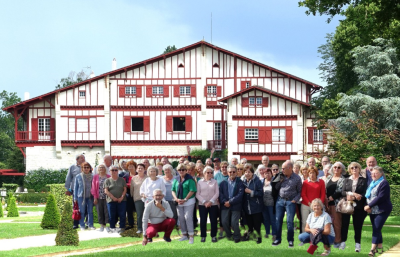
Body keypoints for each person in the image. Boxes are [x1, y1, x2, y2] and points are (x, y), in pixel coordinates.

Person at [364, 166, 393, 256]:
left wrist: (369, 205)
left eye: (375, 173)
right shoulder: (372, 183)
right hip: (373, 210)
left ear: (381, 174)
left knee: (376, 228)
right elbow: (369, 196)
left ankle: (372, 249)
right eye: (372, 173)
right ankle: (380, 247)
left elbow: (380, 197)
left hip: (382, 210)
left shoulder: (383, 183)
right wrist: (368, 206)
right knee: (376, 228)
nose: (373, 175)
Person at [273, 160, 302, 248]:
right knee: (278, 221)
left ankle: (290, 240)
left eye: (283, 168)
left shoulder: (297, 178)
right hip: (280, 201)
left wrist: (295, 200)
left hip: (290, 201)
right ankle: (278, 239)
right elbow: (275, 188)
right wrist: (280, 181)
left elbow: (300, 191)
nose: (282, 170)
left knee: (289, 221)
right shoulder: (280, 175)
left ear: (290, 168)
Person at [340, 162, 368, 252]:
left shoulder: (363, 180)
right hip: (348, 205)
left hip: (359, 206)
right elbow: (343, 192)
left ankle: (357, 244)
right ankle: (343, 242)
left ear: (359, 169)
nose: (354, 169)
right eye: (352, 168)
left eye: (356, 167)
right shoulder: (347, 180)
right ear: (350, 170)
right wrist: (352, 194)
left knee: (357, 226)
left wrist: (360, 196)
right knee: (345, 224)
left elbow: (366, 193)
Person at [172, 164, 197, 244]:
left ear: (186, 171)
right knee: (181, 218)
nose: (181, 171)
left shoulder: (190, 179)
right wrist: (176, 199)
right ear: (177, 171)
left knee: (188, 217)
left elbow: (192, 190)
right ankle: (184, 235)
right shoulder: (176, 179)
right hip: (179, 201)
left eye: (183, 170)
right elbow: (173, 190)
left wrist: (185, 199)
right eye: (180, 170)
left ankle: (191, 236)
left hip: (189, 201)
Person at [219, 165, 245, 243]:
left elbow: (240, 194)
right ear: (227, 172)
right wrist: (225, 202)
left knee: (234, 222)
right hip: (225, 205)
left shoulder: (240, 182)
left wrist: (230, 202)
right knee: (224, 222)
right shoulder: (223, 183)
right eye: (230, 172)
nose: (232, 173)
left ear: (236, 172)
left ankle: (237, 236)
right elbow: (220, 194)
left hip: (236, 206)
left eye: (234, 172)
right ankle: (229, 235)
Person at [325, 161, 346, 248]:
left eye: (338, 167)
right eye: (335, 167)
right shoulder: (329, 177)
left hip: (336, 204)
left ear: (342, 170)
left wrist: (330, 198)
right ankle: (329, 240)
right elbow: (325, 189)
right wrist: (325, 199)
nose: (336, 169)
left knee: (337, 223)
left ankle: (337, 241)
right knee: (328, 223)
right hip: (326, 204)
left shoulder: (343, 179)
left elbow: (340, 191)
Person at [196, 166, 219, 243]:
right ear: (204, 173)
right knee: (203, 221)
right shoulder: (199, 182)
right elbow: (197, 194)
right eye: (207, 172)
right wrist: (204, 202)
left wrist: (211, 201)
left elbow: (217, 193)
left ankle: (213, 236)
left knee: (213, 221)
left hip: (213, 204)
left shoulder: (215, 182)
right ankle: (203, 236)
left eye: (211, 172)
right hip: (202, 205)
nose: (209, 174)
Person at [242, 166, 263, 244]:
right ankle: (249, 236)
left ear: (252, 173)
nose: (247, 174)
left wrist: (251, 192)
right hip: (247, 207)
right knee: (249, 225)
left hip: (256, 207)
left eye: (249, 172)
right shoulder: (243, 182)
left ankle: (259, 238)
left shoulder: (257, 181)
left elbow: (261, 193)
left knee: (257, 225)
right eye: (246, 172)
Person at [300, 166, 326, 232]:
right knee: (305, 222)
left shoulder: (321, 182)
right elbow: (303, 194)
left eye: (313, 173)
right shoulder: (305, 182)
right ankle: (304, 238)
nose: (312, 175)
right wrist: (309, 203)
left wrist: (319, 205)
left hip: (317, 206)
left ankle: (314, 238)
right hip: (306, 205)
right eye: (310, 173)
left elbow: (323, 194)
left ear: (316, 173)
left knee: (315, 223)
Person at [104, 165, 127, 233]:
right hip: (111, 200)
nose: (114, 171)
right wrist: (113, 197)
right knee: (112, 215)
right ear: (110, 171)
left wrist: (121, 197)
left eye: (116, 170)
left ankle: (122, 227)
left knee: (122, 214)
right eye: (112, 170)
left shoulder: (122, 180)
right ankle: (112, 227)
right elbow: (106, 191)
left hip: (122, 200)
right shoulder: (107, 180)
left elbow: (125, 189)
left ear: (118, 171)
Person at [65, 153, 85, 229]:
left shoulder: (86, 166)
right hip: (75, 190)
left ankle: (83, 222)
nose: (83, 159)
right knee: (76, 207)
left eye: (84, 158)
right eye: (81, 158)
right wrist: (67, 189)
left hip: (85, 190)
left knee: (85, 207)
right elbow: (68, 178)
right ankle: (75, 224)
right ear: (77, 159)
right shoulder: (72, 167)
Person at [74, 161, 95, 231]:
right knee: (82, 211)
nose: (86, 169)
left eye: (87, 167)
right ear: (82, 168)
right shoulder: (78, 176)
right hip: (81, 197)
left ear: (90, 168)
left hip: (90, 197)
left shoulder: (93, 176)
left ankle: (90, 225)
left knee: (90, 211)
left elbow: (94, 187)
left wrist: (95, 197)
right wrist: (75, 198)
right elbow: (76, 188)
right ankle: (82, 225)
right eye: (84, 167)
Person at [91, 164, 111, 232]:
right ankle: (102, 225)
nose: (101, 168)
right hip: (98, 197)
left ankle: (107, 226)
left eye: (103, 167)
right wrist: (95, 197)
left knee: (107, 211)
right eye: (100, 167)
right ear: (98, 169)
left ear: (105, 169)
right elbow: (93, 187)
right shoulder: (95, 177)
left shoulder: (108, 176)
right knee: (100, 211)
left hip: (107, 197)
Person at [130, 163, 148, 234]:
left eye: (141, 168)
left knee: (147, 214)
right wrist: (132, 196)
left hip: (147, 198)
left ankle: (148, 228)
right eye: (139, 168)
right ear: (136, 169)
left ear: (144, 169)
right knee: (140, 214)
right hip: (137, 198)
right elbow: (132, 189)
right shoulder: (134, 178)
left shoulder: (147, 178)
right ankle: (140, 228)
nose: (140, 169)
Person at [260, 167, 277, 240]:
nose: (267, 175)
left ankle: (274, 234)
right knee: (265, 219)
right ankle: (267, 233)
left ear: (271, 174)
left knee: (272, 219)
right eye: (265, 173)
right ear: (263, 174)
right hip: (263, 204)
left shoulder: (274, 181)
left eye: (268, 173)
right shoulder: (261, 181)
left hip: (272, 204)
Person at [124, 160, 137, 229]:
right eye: (129, 166)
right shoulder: (125, 175)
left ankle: (139, 224)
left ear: (135, 167)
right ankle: (130, 224)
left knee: (138, 210)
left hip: (137, 194)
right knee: (129, 210)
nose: (130, 168)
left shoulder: (138, 174)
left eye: (132, 166)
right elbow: (123, 185)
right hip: (128, 194)